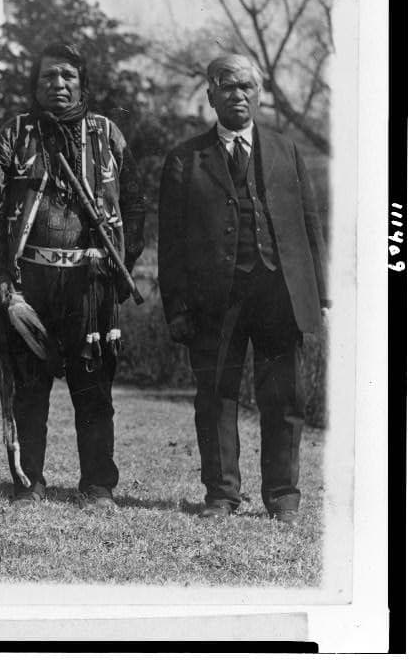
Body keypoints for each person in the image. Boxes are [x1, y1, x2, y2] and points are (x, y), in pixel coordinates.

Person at [158, 54, 328, 525]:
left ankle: (283, 495)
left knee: (285, 398)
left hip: (280, 295)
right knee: (215, 397)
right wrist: (177, 308)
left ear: (260, 93)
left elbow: (309, 226)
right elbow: (170, 245)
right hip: (215, 301)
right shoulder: (186, 159)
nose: (239, 95)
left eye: (248, 86)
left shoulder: (286, 150)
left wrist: (323, 297)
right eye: (228, 86)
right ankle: (222, 494)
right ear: (210, 95)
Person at [0, 42, 145, 509]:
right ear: (36, 84)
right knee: (28, 387)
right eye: (49, 76)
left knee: (93, 386)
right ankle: (29, 482)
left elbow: (134, 205)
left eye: (68, 76)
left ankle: (97, 485)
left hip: (92, 280)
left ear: (82, 83)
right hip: (29, 281)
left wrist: (123, 265)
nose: (59, 84)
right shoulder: (16, 134)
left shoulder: (107, 134)